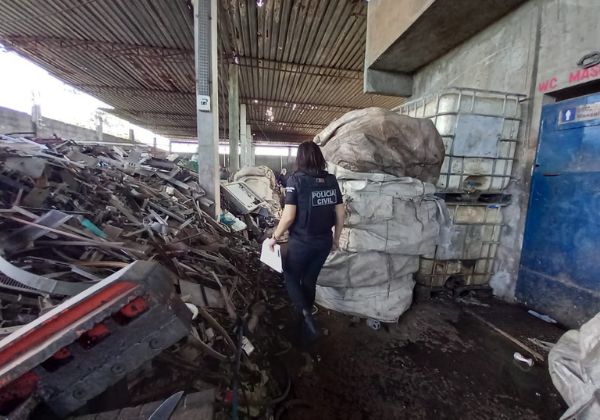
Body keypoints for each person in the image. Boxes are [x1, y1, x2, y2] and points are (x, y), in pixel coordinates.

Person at [267, 141, 345, 343]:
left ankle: (305, 314)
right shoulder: (330, 180)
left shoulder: (296, 180)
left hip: (302, 242)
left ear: (300, 159)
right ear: (319, 157)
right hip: (324, 242)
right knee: (310, 280)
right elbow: (340, 211)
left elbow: (289, 216)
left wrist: (274, 238)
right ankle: (306, 323)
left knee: (291, 275)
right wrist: (336, 238)